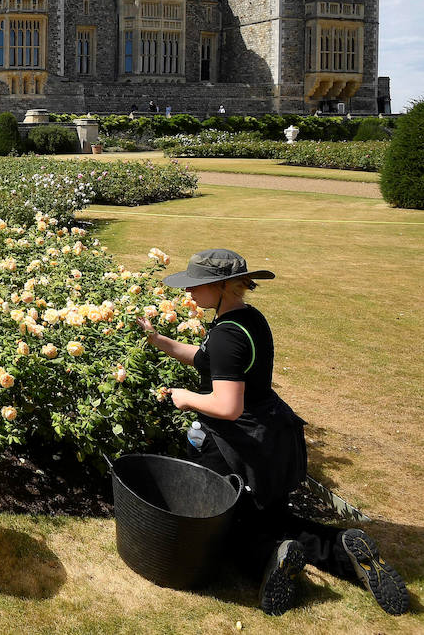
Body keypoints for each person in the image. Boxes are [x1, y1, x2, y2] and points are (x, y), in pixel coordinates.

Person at [138, 250, 409, 617]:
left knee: (222, 527)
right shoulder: (247, 321)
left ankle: (270, 560)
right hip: (271, 437)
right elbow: (209, 359)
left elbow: (227, 405)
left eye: (197, 286)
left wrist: (187, 398)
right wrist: (160, 341)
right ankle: (341, 548)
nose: (190, 294)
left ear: (221, 286)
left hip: (237, 445)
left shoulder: (225, 337)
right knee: (271, 519)